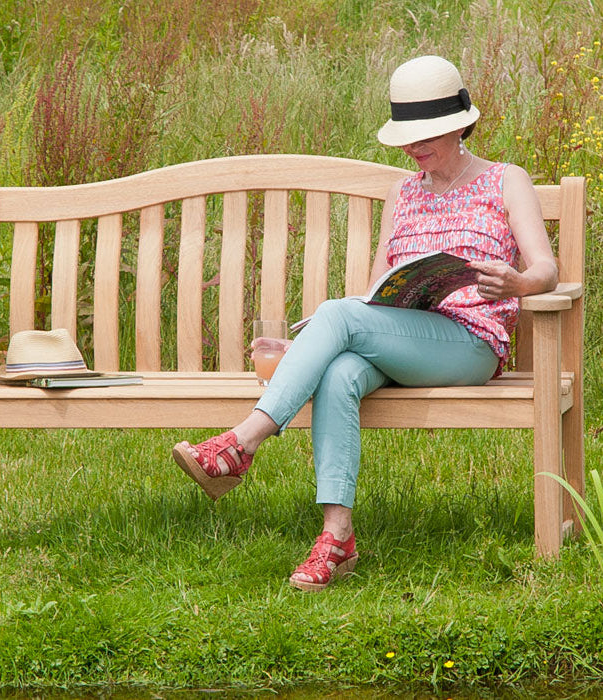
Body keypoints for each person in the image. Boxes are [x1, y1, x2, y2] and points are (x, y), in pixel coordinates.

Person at [172, 55, 558, 592]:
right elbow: (375, 298)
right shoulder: (403, 193)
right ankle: (338, 537)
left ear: (458, 126)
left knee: (338, 319)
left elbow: (546, 268)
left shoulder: (504, 180)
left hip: (469, 344)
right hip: (400, 337)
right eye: (408, 137)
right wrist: (309, 344)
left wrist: (517, 284)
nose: (414, 148)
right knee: (340, 372)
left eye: (426, 136)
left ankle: (243, 444)